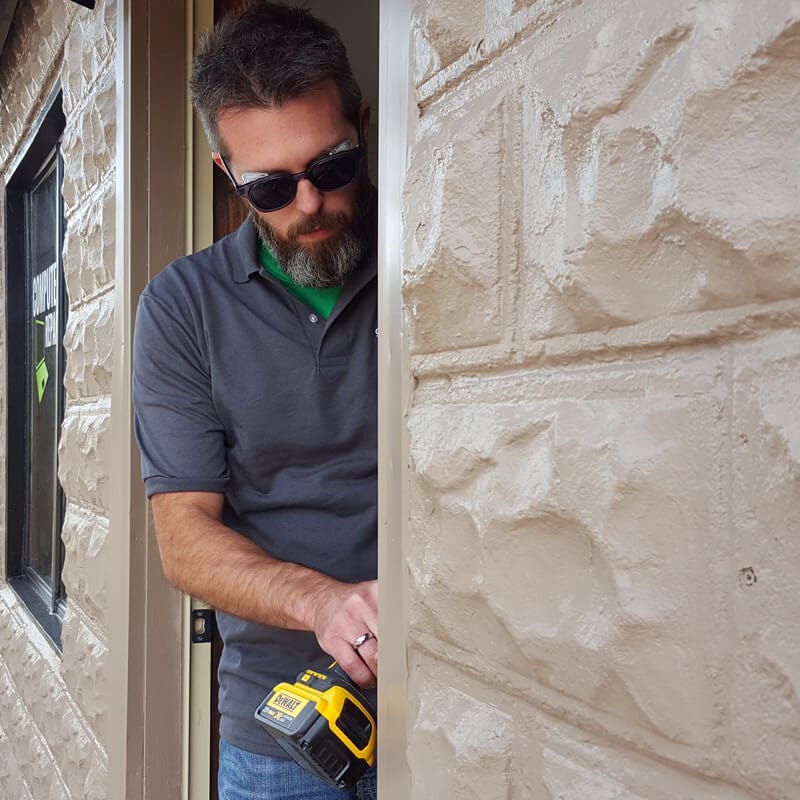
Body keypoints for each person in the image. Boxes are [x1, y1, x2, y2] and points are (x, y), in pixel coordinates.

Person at [132, 3, 378, 798]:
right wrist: (323, 603)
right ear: (225, 175)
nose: (308, 204)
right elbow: (185, 540)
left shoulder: (439, 254)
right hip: (283, 734)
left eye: (331, 167)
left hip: (460, 703)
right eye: (270, 185)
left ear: (364, 124)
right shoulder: (182, 307)